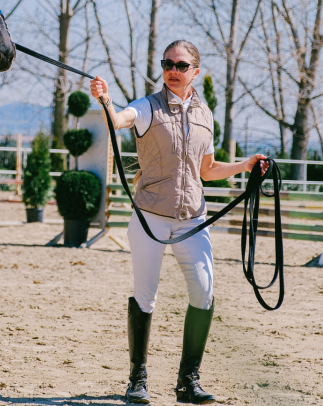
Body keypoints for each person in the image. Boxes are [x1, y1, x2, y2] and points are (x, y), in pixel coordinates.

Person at [89, 40, 267, 405]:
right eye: (167, 63)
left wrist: (246, 165)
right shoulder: (147, 107)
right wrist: (106, 101)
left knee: (203, 293)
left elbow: (208, 169)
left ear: (195, 72)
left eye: (181, 65)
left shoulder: (205, 114)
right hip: (151, 218)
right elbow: (120, 120)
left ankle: (188, 381)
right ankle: (137, 379)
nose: (173, 69)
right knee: (146, 296)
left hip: (192, 220)